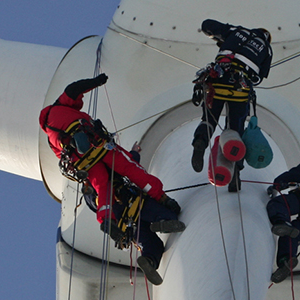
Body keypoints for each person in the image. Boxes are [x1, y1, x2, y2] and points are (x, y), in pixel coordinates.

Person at [39, 74, 183, 285]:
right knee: (134, 173)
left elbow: (70, 164)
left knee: (142, 235)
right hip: (102, 153)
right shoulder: (61, 107)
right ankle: (163, 205)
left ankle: (145, 255)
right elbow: (73, 89)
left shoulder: (52, 140)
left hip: (101, 189)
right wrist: (95, 82)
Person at [191, 19, 273, 191]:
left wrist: (220, 39)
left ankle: (200, 141)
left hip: (217, 80)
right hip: (239, 88)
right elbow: (258, 78)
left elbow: (207, 25)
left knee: (209, 120)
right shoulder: (267, 48)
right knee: (235, 129)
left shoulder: (238, 31)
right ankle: (235, 171)